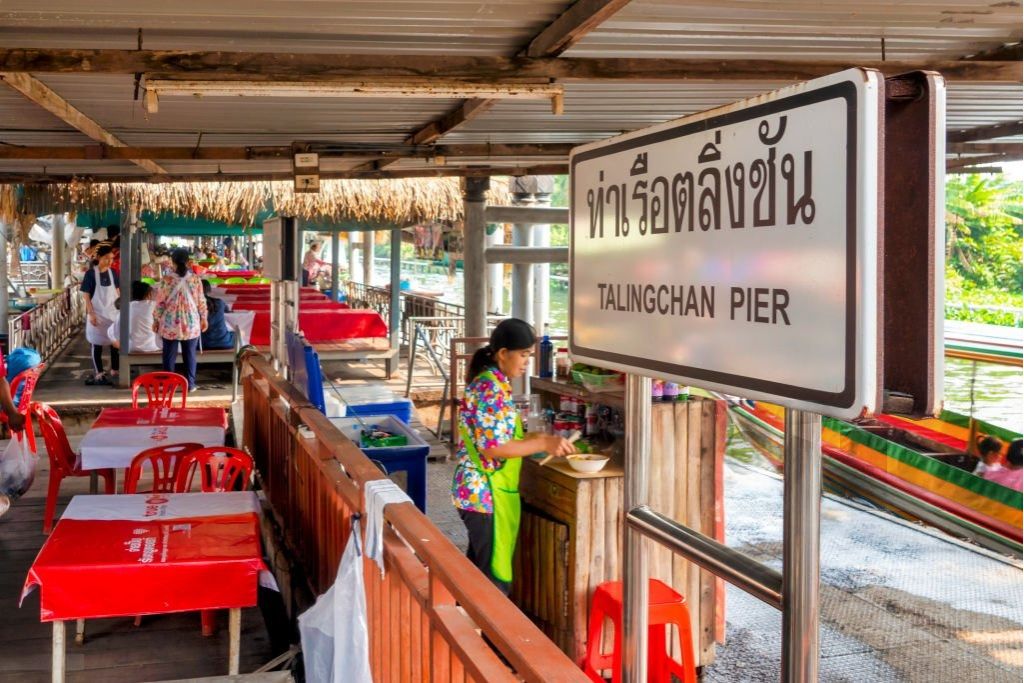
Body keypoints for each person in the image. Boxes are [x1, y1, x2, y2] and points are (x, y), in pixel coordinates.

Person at [450, 319, 575, 593]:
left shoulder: (495, 382)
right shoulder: (490, 389)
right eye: (523, 354)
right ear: (503, 353)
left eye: (529, 355)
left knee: (478, 572)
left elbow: (498, 438)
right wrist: (542, 441)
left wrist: (533, 440)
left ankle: (469, 629)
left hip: (482, 492)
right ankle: (488, 635)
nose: (526, 362)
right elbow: (493, 448)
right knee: (494, 582)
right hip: (484, 493)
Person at [153, 248, 208, 392]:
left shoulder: (166, 280)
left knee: (169, 355)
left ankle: (168, 385)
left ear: (172, 262)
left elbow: (160, 303)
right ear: (188, 262)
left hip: (170, 322)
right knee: (190, 354)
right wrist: (204, 318)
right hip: (191, 322)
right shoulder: (196, 279)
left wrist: (156, 320)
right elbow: (201, 301)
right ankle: (190, 384)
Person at [81, 243, 120, 385]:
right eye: (106, 258)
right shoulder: (91, 274)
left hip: (112, 313)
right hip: (97, 313)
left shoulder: (113, 273)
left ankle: (115, 369)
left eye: (111, 258)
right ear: (98, 258)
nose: (109, 261)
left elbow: (117, 291)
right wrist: (91, 313)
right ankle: (99, 373)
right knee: (96, 344)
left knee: (114, 342)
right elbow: (86, 295)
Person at [106, 281, 162, 353]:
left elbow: (116, 332)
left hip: (132, 347)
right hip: (154, 346)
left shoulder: (127, 307)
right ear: (148, 294)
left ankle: (117, 363)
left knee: (112, 336)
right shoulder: (155, 305)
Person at [200, 279, 235, 350]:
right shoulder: (219, 302)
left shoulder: (193, 306)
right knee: (235, 334)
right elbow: (227, 311)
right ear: (209, 289)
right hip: (224, 342)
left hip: (202, 344)